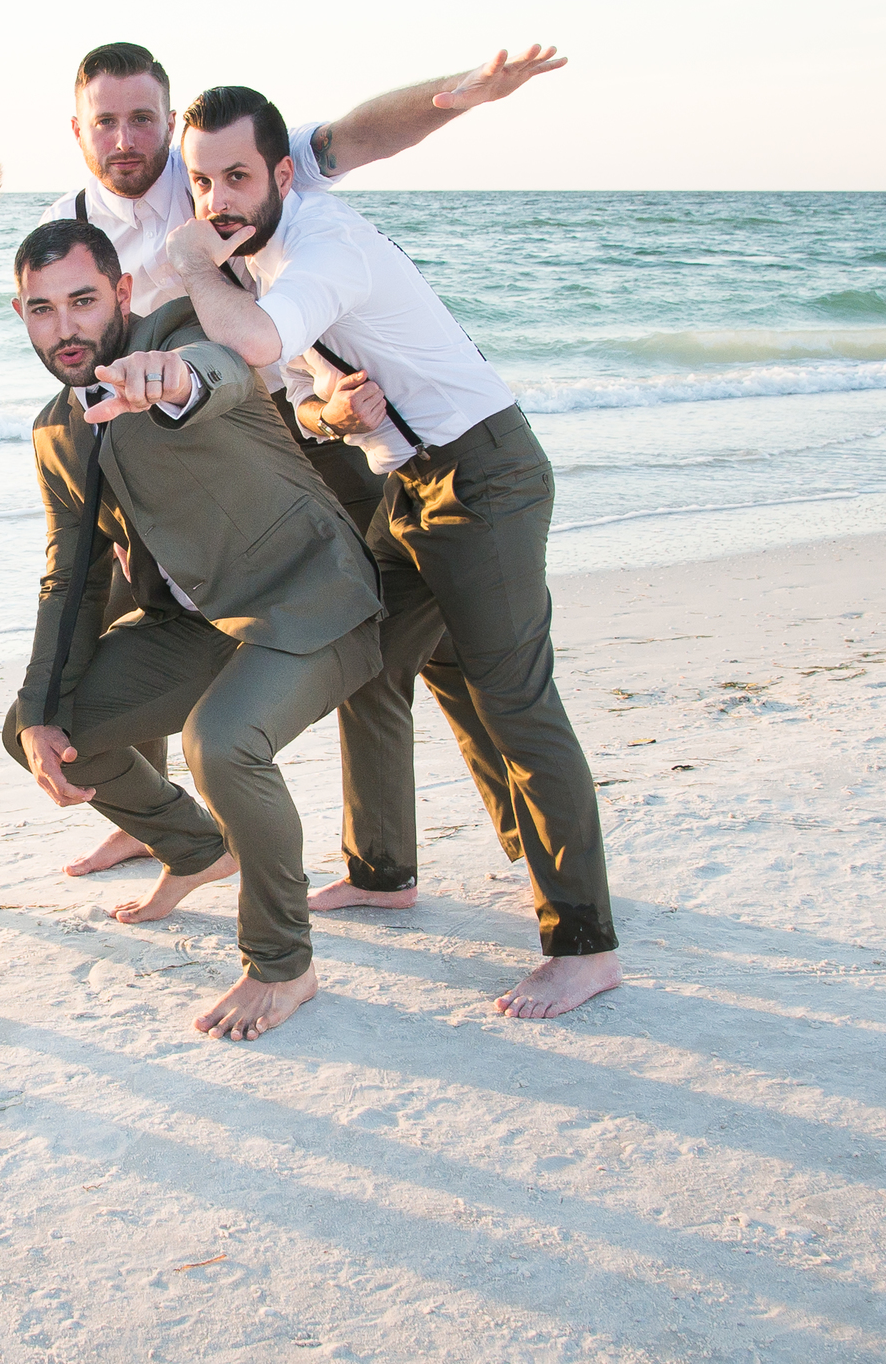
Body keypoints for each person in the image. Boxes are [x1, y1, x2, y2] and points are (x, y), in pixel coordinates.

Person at [40, 42, 567, 892]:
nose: (127, 138)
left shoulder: (220, 167)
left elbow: (358, 136)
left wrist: (459, 94)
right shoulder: (70, 226)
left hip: (313, 437)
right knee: (144, 610)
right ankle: (234, 836)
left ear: (168, 124)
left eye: (144, 118)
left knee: (437, 655)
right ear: (79, 130)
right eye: (107, 121)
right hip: (209, 447)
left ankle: (529, 831)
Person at [161, 77, 623, 1020]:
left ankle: (584, 943)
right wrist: (335, 413)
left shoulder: (321, 245)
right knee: (367, 657)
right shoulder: (259, 262)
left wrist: (187, 264)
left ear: (282, 173)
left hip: (485, 475)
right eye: (201, 184)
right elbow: (301, 403)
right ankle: (381, 869)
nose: (217, 203)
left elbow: (252, 341)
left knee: (515, 698)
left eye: (237, 177)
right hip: (410, 483)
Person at [3, 218, 384, 1041]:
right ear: (21, 315)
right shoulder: (55, 430)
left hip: (311, 597)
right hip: (200, 623)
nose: (64, 326)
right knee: (50, 730)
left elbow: (220, 374)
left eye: (82, 300)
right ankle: (195, 849)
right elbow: (70, 576)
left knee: (221, 740)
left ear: (123, 295)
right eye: (42, 309)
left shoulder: (179, 336)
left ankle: (285, 964)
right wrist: (41, 704)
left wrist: (167, 381)